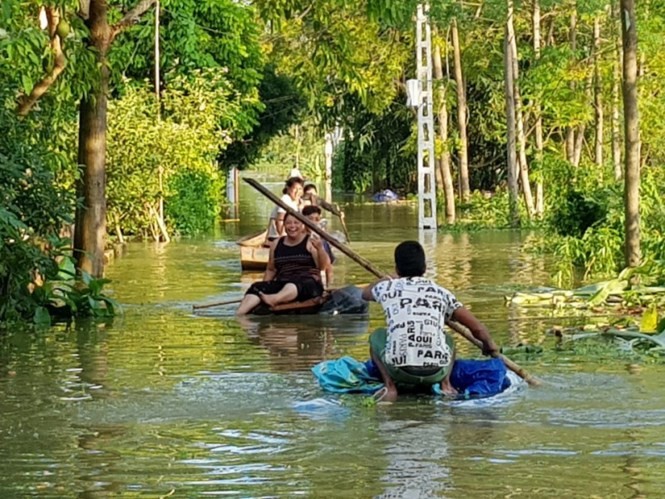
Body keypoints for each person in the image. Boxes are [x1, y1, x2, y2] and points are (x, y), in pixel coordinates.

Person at [362, 241, 499, 401]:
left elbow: (365, 294)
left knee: (377, 335)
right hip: (436, 372)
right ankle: (445, 384)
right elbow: (478, 330)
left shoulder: (387, 288)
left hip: (399, 371)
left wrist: (387, 279)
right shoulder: (442, 293)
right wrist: (489, 345)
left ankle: (390, 387)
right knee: (448, 339)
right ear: (424, 268)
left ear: (397, 269)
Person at [237, 213, 331, 315]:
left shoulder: (310, 242)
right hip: (283, 282)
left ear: (302, 225)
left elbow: (323, 266)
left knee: (292, 285)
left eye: (296, 223)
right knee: (256, 287)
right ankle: (239, 314)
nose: (292, 226)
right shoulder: (276, 243)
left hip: (308, 284)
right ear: (284, 226)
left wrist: (320, 249)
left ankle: (274, 299)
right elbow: (271, 270)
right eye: (288, 223)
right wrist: (265, 287)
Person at [302, 205, 335, 286]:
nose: (313, 222)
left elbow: (328, 267)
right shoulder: (298, 239)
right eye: (310, 219)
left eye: (317, 219)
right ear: (303, 219)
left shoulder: (322, 242)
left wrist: (328, 286)